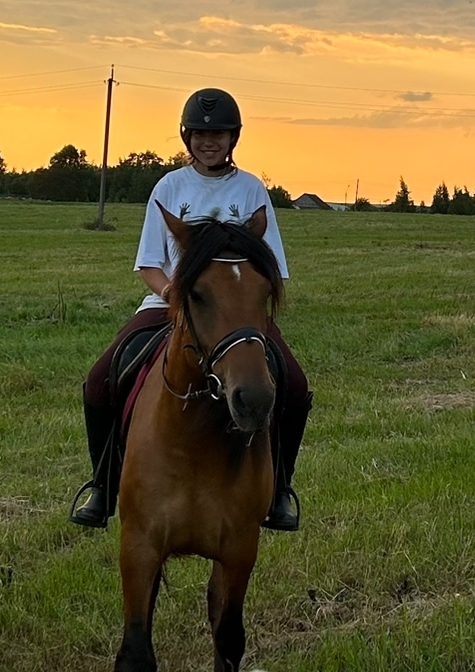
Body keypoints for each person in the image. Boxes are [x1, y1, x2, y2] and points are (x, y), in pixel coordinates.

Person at [68, 87, 313, 531]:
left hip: (238, 313)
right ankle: (103, 486)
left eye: (218, 133)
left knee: (294, 385)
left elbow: (271, 266)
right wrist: (177, 297)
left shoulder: (251, 190)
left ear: (233, 138)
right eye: (199, 134)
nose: (208, 142)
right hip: (169, 304)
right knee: (99, 380)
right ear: (187, 138)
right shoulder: (169, 187)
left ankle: (280, 491)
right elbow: (148, 265)